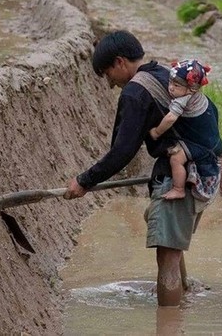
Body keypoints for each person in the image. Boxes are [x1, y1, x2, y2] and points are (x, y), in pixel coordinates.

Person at [64, 30, 214, 307]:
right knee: (158, 224)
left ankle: (170, 320)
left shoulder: (135, 91)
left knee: (166, 257)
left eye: (108, 74)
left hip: (181, 175)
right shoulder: (168, 75)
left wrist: (84, 182)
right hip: (204, 172)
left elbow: (121, 152)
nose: (110, 84)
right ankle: (185, 293)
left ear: (120, 62)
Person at [148, 59, 222, 200]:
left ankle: (178, 189)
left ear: (191, 89)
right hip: (215, 141)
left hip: (199, 144)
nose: (171, 88)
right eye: (170, 83)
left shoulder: (182, 100)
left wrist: (156, 132)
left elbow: (170, 118)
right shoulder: (203, 99)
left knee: (176, 159)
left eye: (176, 85)